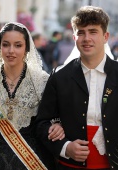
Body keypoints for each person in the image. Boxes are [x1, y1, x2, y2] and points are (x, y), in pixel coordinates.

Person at [0, 22, 64, 170]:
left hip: (31, 155)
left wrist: (58, 125)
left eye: (18, 45)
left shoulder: (41, 81)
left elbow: (50, 120)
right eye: (6, 45)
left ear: (27, 48)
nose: (11, 51)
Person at [36, 5, 118, 169]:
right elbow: (41, 123)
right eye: (81, 33)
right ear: (74, 38)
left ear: (105, 36)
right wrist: (65, 147)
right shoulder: (59, 77)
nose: (86, 38)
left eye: (93, 32)